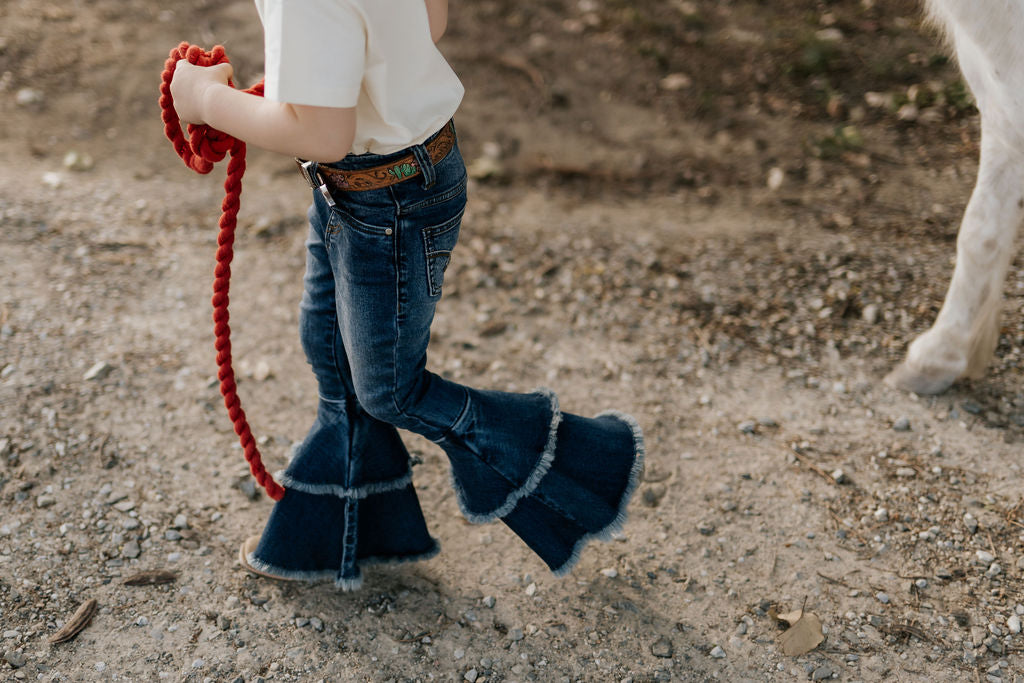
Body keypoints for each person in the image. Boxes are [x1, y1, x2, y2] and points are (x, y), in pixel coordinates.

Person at [169, 0, 644, 590]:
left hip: (388, 198)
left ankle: (590, 466)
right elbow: (431, 21)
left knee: (390, 390)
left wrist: (205, 99)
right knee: (329, 350)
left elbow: (322, 132)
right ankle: (329, 536)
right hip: (379, 182)